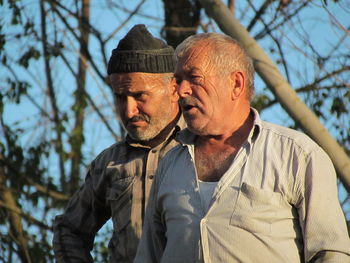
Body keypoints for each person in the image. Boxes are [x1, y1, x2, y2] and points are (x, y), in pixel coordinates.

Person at [134, 33, 350, 263]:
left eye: (194, 77)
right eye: (178, 80)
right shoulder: (169, 163)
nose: (182, 90)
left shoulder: (297, 155)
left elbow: (330, 254)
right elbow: (149, 256)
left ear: (236, 84)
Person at [53, 24, 185, 263]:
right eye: (119, 97)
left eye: (139, 96)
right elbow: (69, 231)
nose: (129, 110)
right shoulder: (109, 163)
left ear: (174, 89)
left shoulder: (203, 147)